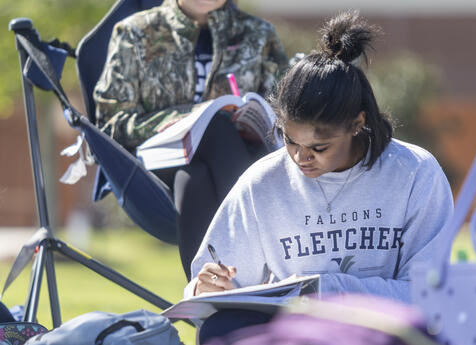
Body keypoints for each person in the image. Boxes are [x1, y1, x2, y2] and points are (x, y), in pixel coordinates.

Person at [186, 11, 454, 343]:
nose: (300, 158)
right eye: (289, 141)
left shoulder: (415, 172)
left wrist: (327, 289)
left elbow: (430, 296)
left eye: (319, 146)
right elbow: (216, 294)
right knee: (218, 329)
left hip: (381, 331)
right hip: (300, 332)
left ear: (357, 124)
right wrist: (206, 286)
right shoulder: (262, 182)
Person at [93, 0, 288, 278]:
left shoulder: (258, 34)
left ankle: (206, 296)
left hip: (233, 158)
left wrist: (254, 121)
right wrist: (184, 117)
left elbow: (284, 112)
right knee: (216, 127)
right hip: (158, 166)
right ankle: (269, 255)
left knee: (195, 176)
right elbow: (110, 124)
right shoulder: (136, 32)